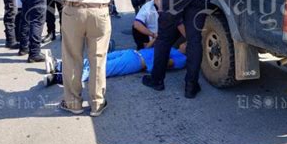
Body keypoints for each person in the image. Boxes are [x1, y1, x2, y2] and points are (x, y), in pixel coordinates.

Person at [43, 45, 187, 87]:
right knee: (97, 60)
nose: (184, 42)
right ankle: (59, 65)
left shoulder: (182, 59)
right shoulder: (174, 48)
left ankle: (59, 77)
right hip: (133, 53)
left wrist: (163, 54)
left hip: (137, 62)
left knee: (103, 69)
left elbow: (164, 63)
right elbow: (148, 47)